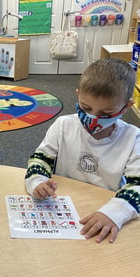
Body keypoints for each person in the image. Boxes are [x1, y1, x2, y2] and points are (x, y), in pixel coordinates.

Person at [25, 58, 140, 243]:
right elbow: (40, 159)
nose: (93, 119)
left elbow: (137, 186)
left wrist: (115, 213)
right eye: (86, 108)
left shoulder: (133, 137)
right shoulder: (63, 125)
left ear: (126, 106)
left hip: (104, 209)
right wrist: (37, 181)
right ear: (78, 96)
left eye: (106, 114)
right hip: (61, 207)